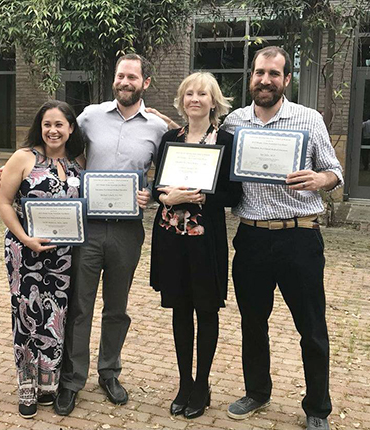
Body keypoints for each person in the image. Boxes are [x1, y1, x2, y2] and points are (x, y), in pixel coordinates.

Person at [221, 46, 343, 430]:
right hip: (252, 238)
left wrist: (320, 179)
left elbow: (335, 171)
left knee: (311, 327)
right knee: (253, 323)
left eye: (274, 74)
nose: (265, 80)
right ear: (251, 77)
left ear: (287, 79)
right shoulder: (234, 123)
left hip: (299, 237)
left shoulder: (308, 120)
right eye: (259, 73)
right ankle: (257, 392)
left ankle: (317, 408)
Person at [54, 53, 168, 415]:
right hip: (86, 227)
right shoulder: (89, 116)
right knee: (80, 305)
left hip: (127, 231)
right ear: (114, 80)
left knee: (116, 308)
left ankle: (109, 372)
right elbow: (59, 145)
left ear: (145, 83)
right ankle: (72, 379)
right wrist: (20, 168)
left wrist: (149, 191)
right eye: (120, 76)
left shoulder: (159, 128)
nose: (125, 82)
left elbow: (164, 173)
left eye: (132, 77)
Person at [150, 72, 241, 419]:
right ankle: (184, 382)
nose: (195, 99)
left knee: (206, 309)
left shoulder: (227, 141)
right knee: (179, 309)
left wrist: (206, 195)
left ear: (214, 101)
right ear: (181, 100)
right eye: (189, 93)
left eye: (203, 93)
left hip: (206, 239)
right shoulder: (170, 138)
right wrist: (165, 196)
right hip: (172, 237)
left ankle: (202, 383)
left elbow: (236, 193)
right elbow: (159, 185)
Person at [0, 100, 85, 419]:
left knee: (55, 315)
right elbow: (4, 202)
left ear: (71, 128)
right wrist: (25, 238)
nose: (53, 130)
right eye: (47, 124)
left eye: (60, 124)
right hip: (25, 253)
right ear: (40, 127)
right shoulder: (24, 158)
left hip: (62, 257)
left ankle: (49, 382)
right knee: (26, 316)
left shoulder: (77, 163)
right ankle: (26, 383)